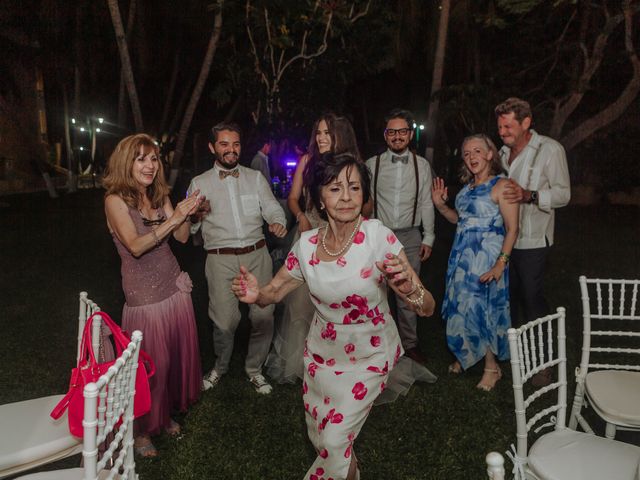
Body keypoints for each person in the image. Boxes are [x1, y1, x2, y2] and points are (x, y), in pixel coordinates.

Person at [233, 153, 436, 480]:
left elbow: (427, 307)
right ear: (319, 198)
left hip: (370, 355)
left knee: (334, 438)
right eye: (335, 188)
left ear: (364, 196)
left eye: (354, 188)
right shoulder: (308, 246)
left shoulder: (376, 237)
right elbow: (275, 290)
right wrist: (257, 294)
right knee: (323, 438)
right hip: (322, 357)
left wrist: (408, 287)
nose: (346, 197)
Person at [103, 133, 203, 457]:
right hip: (144, 299)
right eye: (141, 158)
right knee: (149, 369)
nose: (149, 165)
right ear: (126, 162)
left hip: (174, 289)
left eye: (154, 158)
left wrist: (187, 214)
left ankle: (165, 415)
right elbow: (135, 245)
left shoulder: (159, 195)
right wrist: (173, 218)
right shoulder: (115, 200)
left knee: (172, 361)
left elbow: (184, 238)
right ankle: (142, 429)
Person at [187, 122, 287, 394]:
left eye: (236, 144)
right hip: (220, 260)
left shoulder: (255, 177)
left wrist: (277, 222)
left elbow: (273, 208)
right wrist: (196, 215)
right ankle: (221, 366)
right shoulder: (199, 183)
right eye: (224, 144)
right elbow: (190, 228)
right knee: (224, 321)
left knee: (263, 315)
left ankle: (254, 369)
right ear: (212, 147)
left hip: (257, 255)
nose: (231, 150)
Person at [266, 113, 362, 383]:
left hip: (342, 240)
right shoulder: (307, 162)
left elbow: (366, 206)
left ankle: (339, 361)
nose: (320, 138)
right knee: (302, 303)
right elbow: (294, 198)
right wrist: (301, 216)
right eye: (318, 132)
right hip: (309, 236)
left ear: (339, 135)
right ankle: (300, 364)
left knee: (338, 301)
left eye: (327, 133)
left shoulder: (353, 166)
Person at [432, 134, 519, 391]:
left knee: (484, 310)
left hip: (488, 258)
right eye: (467, 153)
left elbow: (513, 229)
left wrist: (500, 264)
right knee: (461, 306)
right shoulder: (468, 187)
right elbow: (459, 220)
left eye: (477, 151)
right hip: (462, 258)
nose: (471, 157)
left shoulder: (503, 185)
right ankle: (466, 354)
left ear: (490, 154)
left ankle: (492, 368)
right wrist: (440, 206)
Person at [495, 98, 571, 386]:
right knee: (508, 300)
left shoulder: (550, 150)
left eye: (508, 125)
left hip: (534, 241)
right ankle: (512, 355)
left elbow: (564, 194)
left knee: (532, 300)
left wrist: (531, 195)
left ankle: (542, 363)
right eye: (500, 126)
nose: (502, 131)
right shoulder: (501, 153)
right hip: (503, 241)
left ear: (526, 123)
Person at [365, 108, 435, 366]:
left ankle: (410, 345)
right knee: (374, 292)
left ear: (410, 134)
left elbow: (427, 202)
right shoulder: (372, 165)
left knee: (408, 293)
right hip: (378, 234)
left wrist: (429, 237)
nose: (397, 136)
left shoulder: (422, 165)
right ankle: (377, 345)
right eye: (392, 132)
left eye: (402, 131)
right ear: (385, 136)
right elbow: (366, 201)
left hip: (409, 235)